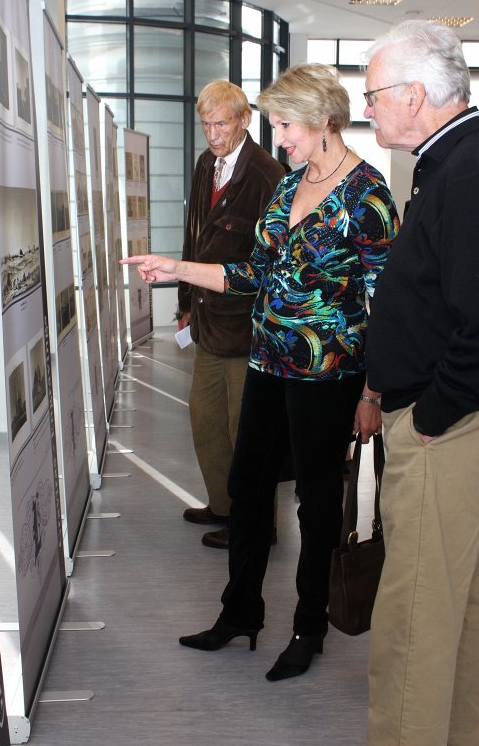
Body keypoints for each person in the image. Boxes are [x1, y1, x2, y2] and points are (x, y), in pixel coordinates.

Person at [122, 63, 399, 681]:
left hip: (330, 377)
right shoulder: (287, 188)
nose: (279, 140)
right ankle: (240, 612)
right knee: (247, 490)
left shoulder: (369, 197)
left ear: (324, 120)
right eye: (275, 126)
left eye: (285, 126)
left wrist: (375, 390)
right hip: (268, 360)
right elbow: (252, 275)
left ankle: (308, 628)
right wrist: (178, 270)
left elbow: (389, 304)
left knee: (316, 503)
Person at [363, 20, 479, 746]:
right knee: (455, 618)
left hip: (446, 431)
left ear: (413, 95)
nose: (365, 108)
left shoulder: (463, 173)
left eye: (372, 95)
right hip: (444, 423)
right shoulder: (448, 163)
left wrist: (430, 416)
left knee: (413, 627)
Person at [179, 80, 286, 549]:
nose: (212, 134)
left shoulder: (267, 174)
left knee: (244, 429)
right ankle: (223, 505)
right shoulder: (206, 164)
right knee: (205, 418)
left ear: (244, 119)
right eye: (205, 124)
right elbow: (194, 236)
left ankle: (254, 523)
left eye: (221, 123)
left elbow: (273, 260)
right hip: (207, 319)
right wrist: (185, 302)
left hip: (247, 327)